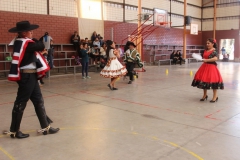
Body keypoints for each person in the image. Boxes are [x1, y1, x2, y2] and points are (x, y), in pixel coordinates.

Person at [3, 21, 59, 139]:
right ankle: (14, 130)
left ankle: (46, 127)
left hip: (31, 76)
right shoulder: (24, 43)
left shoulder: (25, 42)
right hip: (26, 76)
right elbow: (41, 45)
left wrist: (34, 39)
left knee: (38, 101)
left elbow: (39, 44)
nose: (32, 33)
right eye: (30, 31)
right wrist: (36, 40)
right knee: (21, 102)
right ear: (24, 33)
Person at [191, 38, 224, 102]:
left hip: (212, 68)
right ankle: (205, 95)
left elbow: (215, 58)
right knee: (203, 81)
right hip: (204, 67)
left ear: (213, 44)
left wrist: (206, 60)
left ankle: (215, 96)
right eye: (206, 43)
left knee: (214, 82)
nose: (207, 44)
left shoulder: (215, 51)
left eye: (208, 43)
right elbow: (203, 57)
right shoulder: (205, 50)